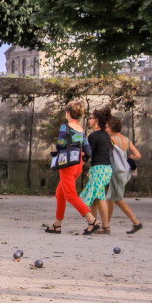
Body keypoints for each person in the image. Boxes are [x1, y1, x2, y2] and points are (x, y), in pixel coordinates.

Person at [47, 100, 100, 235]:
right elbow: (87, 149)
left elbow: (61, 144)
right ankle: (57, 224)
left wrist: (57, 149)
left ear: (68, 112)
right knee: (60, 193)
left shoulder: (66, 127)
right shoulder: (81, 129)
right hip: (78, 165)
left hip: (67, 165)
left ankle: (92, 220)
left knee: (70, 195)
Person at [105, 115, 144, 233]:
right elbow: (138, 155)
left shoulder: (112, 140)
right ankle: (106, 225)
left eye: (107, 126)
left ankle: (136, 222)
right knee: (110, 199)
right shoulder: (126, 140)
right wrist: (128, 157)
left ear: (112, 127)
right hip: (125, 171)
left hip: (115, 171)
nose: (106, 129)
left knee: (117, 199)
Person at [79, 106, 114, 234]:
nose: (89, 120)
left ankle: (105, 226)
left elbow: (88, 154)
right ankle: (92, 223)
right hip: (106, 168)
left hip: (99, 168)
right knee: (94, 197)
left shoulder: (93, 136)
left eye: (92, 118)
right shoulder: (106, 135)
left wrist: (80, 164)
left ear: (97, 120)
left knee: (99, 197)